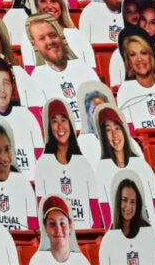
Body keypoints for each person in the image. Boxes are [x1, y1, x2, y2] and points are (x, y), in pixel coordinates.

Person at [34, 98, 103, 229]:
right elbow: (41, 209)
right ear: (49, 126)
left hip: (85, 234)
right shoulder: (43, 164)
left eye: (64, 120)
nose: (60, 126)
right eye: (54, 121)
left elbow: (94, 208)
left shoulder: (83, 164)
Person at [95, 104, 155, 230]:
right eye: (108, 130)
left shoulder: (140, 163)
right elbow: (105, 209)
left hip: (150, 229)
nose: (114, 134)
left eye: (117, 128)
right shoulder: (102, 169)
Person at [99, 172, 155, 265]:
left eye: (133, 202)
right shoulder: (110, 237)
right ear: (118, 201)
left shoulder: (147, 232)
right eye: (124, 200)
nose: (129, 206)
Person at [116, 27, 155, 133]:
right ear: (128, 62)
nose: (139, 59)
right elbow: (130, 133)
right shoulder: (125, 91)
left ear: (151, 56)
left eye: (144, 53)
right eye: (132, 55)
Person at [29, 195, 90, 264]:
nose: (58, 229)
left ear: (70, 226)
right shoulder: (38, 261)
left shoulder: (81, 261)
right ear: (45, 227)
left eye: (62, 223)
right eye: (52, 224)